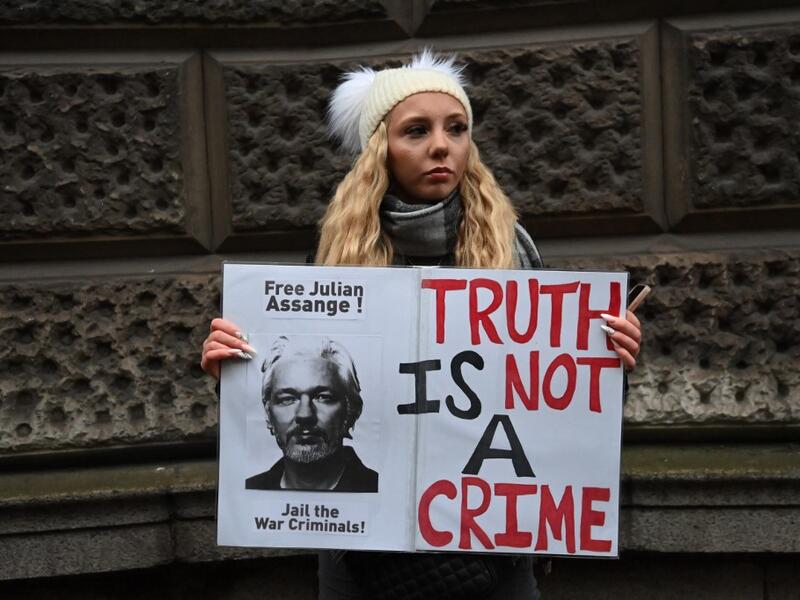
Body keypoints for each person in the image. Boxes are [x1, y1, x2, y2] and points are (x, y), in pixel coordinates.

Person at [201, 49, 643, 600]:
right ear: (378, 151)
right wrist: (233, 375)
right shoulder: (337, 263)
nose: (442, 145)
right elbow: (285, 395)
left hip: (494, 556)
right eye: (417, 130)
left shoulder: (513, 250)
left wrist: (608, 360)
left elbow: (555, 407)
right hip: (362, 558)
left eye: (456, 129)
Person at [245, 335, 378, 492]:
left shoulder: (381, 490)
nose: (305, 415)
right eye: (288, 399)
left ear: (351, 411)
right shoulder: (248, 491)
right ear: (268, 414)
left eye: (323, 397)